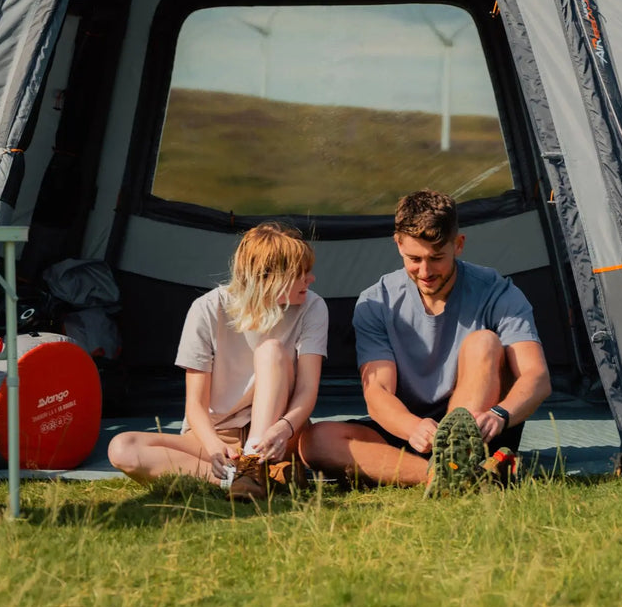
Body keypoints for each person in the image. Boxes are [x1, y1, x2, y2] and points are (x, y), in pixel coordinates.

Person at [300, 190, 551, 490]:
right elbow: (378, 392)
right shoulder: (376, 302)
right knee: (314, 441)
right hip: (412, 430)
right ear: (398, 244)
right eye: (414, 259)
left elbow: (536, 376)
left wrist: (500, 414)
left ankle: (460, 459)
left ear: (458, 245)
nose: (426, 271)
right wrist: (413, 427)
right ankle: (445, 476)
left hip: (481, 428)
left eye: (436, 258)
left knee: (483, 341)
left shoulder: (496, 291)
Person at [108, 221, 328, 498]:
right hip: (219, 436)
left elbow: (308, 389)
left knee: (270, 349)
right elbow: (196, 405)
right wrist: (213, 447)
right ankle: (245, 480)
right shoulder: (207, 309)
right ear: (269, 278)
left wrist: (284, 429)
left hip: (279, 432)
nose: (311, 279)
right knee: (122, 447)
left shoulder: (313, 306)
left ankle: (253, 466)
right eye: (303, 273)